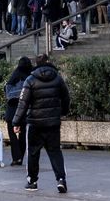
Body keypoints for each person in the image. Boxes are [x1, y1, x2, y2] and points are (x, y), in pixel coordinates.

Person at [13, 52, 69, 193]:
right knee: (55, 151)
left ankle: (32, 181)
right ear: (48, 61)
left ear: (36, 64)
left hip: (35, 123)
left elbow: (22, 103)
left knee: (33, 152)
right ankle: (61, 180)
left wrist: (16, 122)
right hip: (53, 123)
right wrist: (62, 112)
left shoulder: (30, 80)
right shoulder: (58, 78)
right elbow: (66, 97)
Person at [4, 56, 33, 167]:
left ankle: (16, 158)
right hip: (24, 109)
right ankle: (20, 155)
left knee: (12, 135)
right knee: (23, 134)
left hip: (12, 109)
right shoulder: (30, 77)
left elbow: (8, 92)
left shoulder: (15, 75)